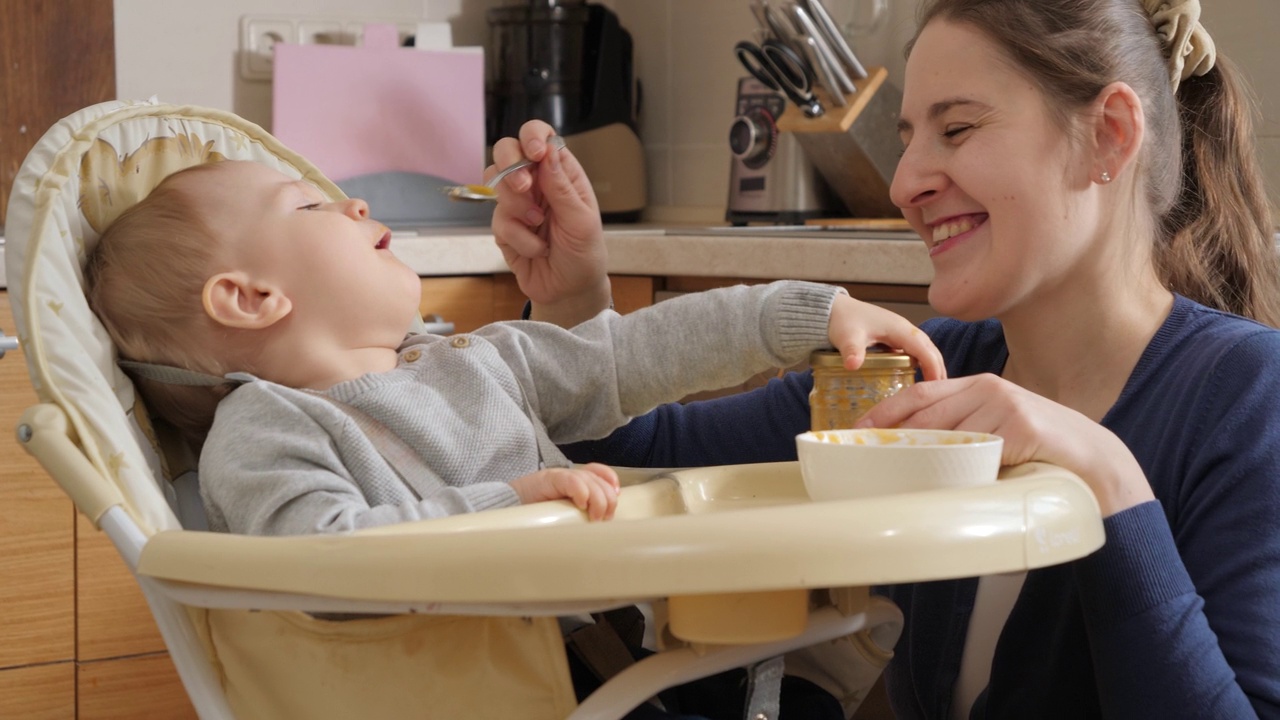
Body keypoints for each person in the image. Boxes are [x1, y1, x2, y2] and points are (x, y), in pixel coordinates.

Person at [490, 0, 1280, 717]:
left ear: (1108, 134)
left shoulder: (1251, 399)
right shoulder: (929, 373)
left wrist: (1107, 477)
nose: (904, 184)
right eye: (907, 140)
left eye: (958, 128)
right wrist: (576, 303)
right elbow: (629, 454)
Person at [83, 153, 945, 719]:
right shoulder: (265, 430)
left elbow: (632, 351)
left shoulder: (479, 360)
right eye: (308, 202)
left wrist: (802, 312)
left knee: (817, 682)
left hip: (618, 662)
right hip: (470, 693)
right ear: (250, 297)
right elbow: (318, 562)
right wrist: (504, 505)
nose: (353, 198)